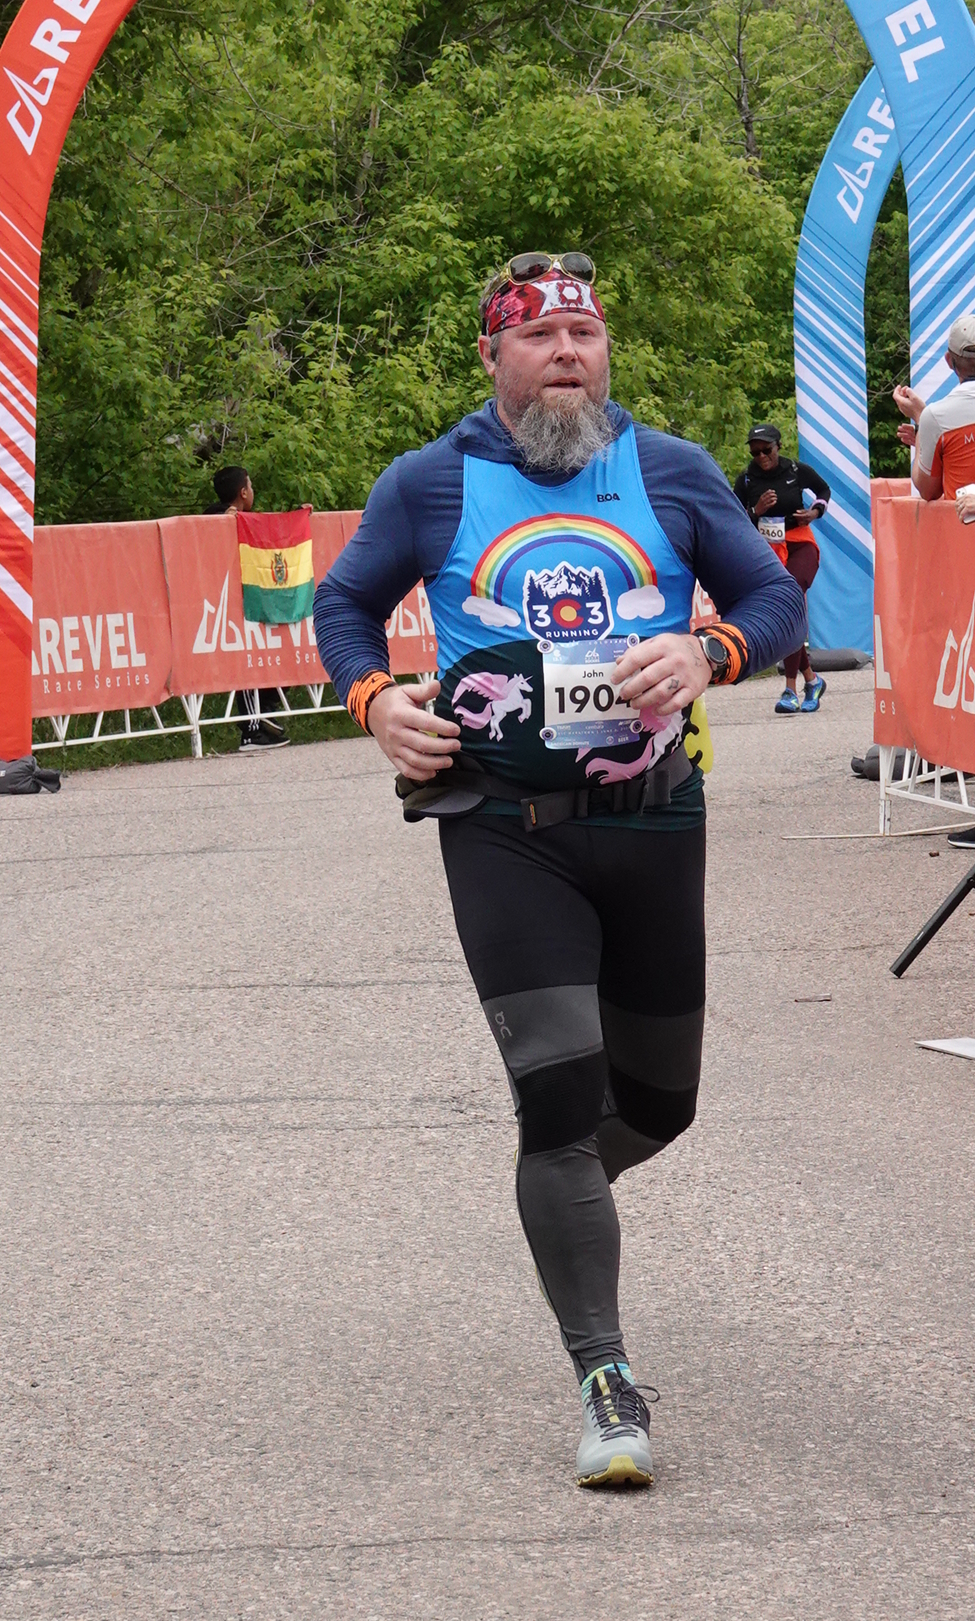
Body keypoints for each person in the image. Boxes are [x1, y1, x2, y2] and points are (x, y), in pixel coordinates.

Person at [313, 250, 804, 1490]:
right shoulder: (429, 482)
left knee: (659, 1104)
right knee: (555, 1097)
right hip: (502, 826)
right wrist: (374, 699)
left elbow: (772, 597)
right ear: (494, 356)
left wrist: (711, 652)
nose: (567, 353)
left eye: (584, 333)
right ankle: (605, 1376)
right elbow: (342, 607)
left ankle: (559, 1187)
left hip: (653, 817)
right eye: (539, 337)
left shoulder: (672, 468)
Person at [733, 424, 831, 713]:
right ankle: (811, 680)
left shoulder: (795, 470)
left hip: (800, 544)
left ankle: (790, 689)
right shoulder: (746, 479)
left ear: (778, 446)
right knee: (785, 610)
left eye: (767, 450)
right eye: (756, 452)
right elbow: (734, 517)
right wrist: (757, 511)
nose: (762, 457)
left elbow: (823, 489)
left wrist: (814, 512)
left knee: (791, 597)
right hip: (768, 551)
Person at [207, 461, 287, 745]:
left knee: (279, 651)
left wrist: (301, 516)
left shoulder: (248, 520)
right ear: (243, 492)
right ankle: (252, 730)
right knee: (247, 663)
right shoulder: (216, 517)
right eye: (250, 485)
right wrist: (222, 517)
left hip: (258, 598)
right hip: (228, 604)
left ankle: (267, 712)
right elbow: (205, 520)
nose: (253, 490)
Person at [892, 314, 975, 503]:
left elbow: (927, 490)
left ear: (949, 360)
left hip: (965, 522)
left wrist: (920, 418)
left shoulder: (936, 416)